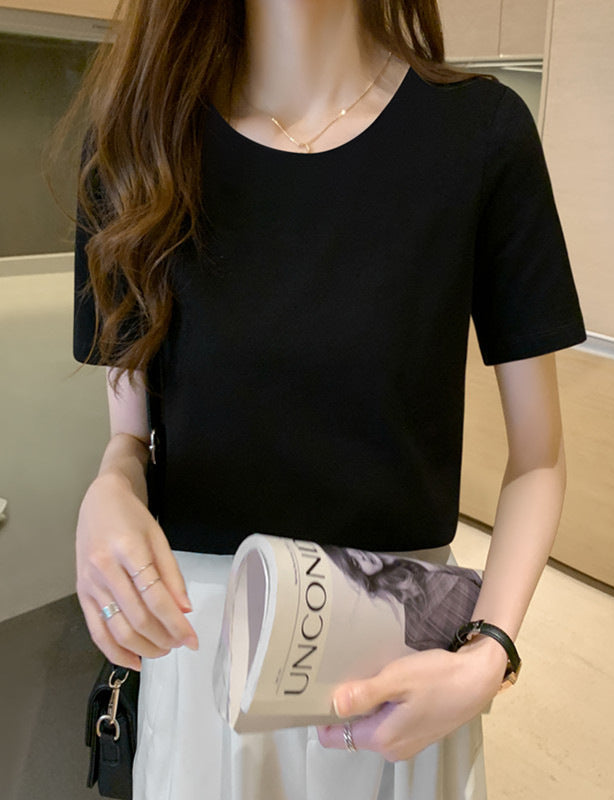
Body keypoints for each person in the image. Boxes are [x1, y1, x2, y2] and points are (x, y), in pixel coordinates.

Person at [67, 0, 586, 797]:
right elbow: (128, 440)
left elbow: (539, 459)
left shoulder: (481, 136)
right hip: (204, 666)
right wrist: (109, 488)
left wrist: (490, 652)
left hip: (399, 670)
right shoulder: (136, 144)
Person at [322, 545, 483, 651]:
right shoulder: (412, 631)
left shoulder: (443, 580)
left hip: (430, 546)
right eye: (354, 563)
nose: (360, 558)